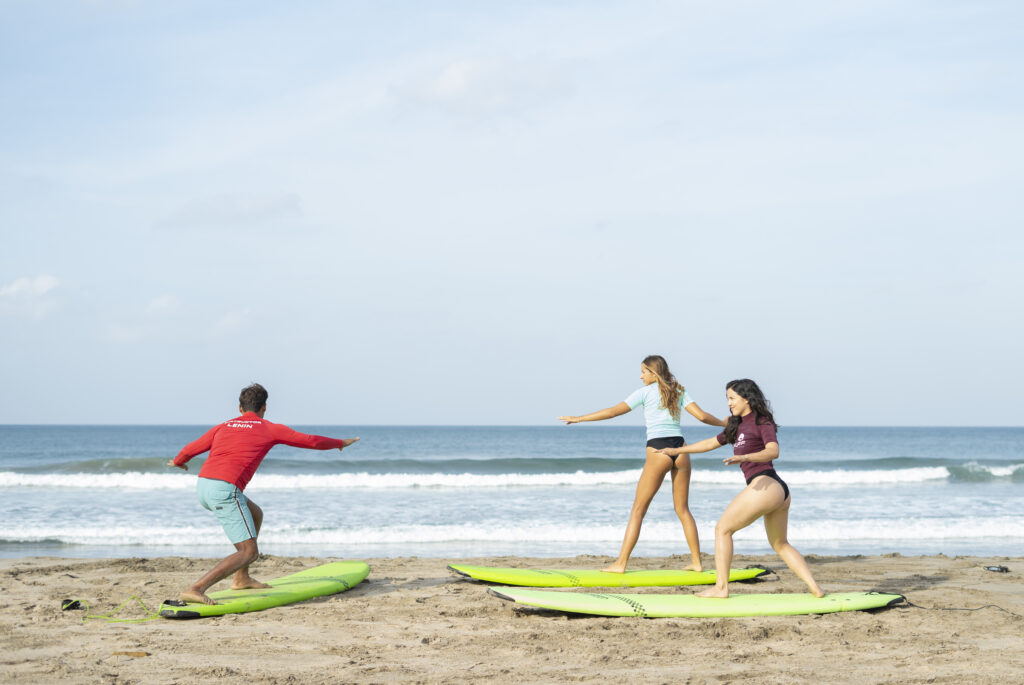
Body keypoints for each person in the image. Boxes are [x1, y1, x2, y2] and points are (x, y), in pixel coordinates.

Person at [168, 383, 359, 605]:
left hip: (204, 486)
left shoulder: (222, 427)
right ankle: (196, 588)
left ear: (239, 408)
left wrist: (179, 462)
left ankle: (241, 578)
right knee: (249, 552)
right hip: (225, 490)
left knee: (255, 514)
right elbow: (310, 441)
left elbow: (191, 449)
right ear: (264, 408)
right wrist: (340, 443)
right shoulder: (269, 428)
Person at [557, 355, 726, 573]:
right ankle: (697, 562)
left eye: (643, 372)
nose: (640, 376)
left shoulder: (644, 393)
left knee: (638, 510)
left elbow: (613, 412)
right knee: (683, 509)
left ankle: (620, 563)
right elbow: (702, 417)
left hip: (658, 451)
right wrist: (723, 423)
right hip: (681, 450)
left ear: (654, 373)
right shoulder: (679, 391)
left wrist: (579, 418)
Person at [657, 379, 824, 598]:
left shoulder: (761, 422)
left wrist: (745, 456)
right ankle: (816, 589)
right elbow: (710, 443)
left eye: (732, 398)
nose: (729, 403)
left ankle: (721, 588)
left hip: (766, 483)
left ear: (746, 398)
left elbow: (773, 451)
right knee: (780, 543)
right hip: (775, 491)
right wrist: (676, 450)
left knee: (722, 529)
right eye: (727, 399)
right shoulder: (736, 426)